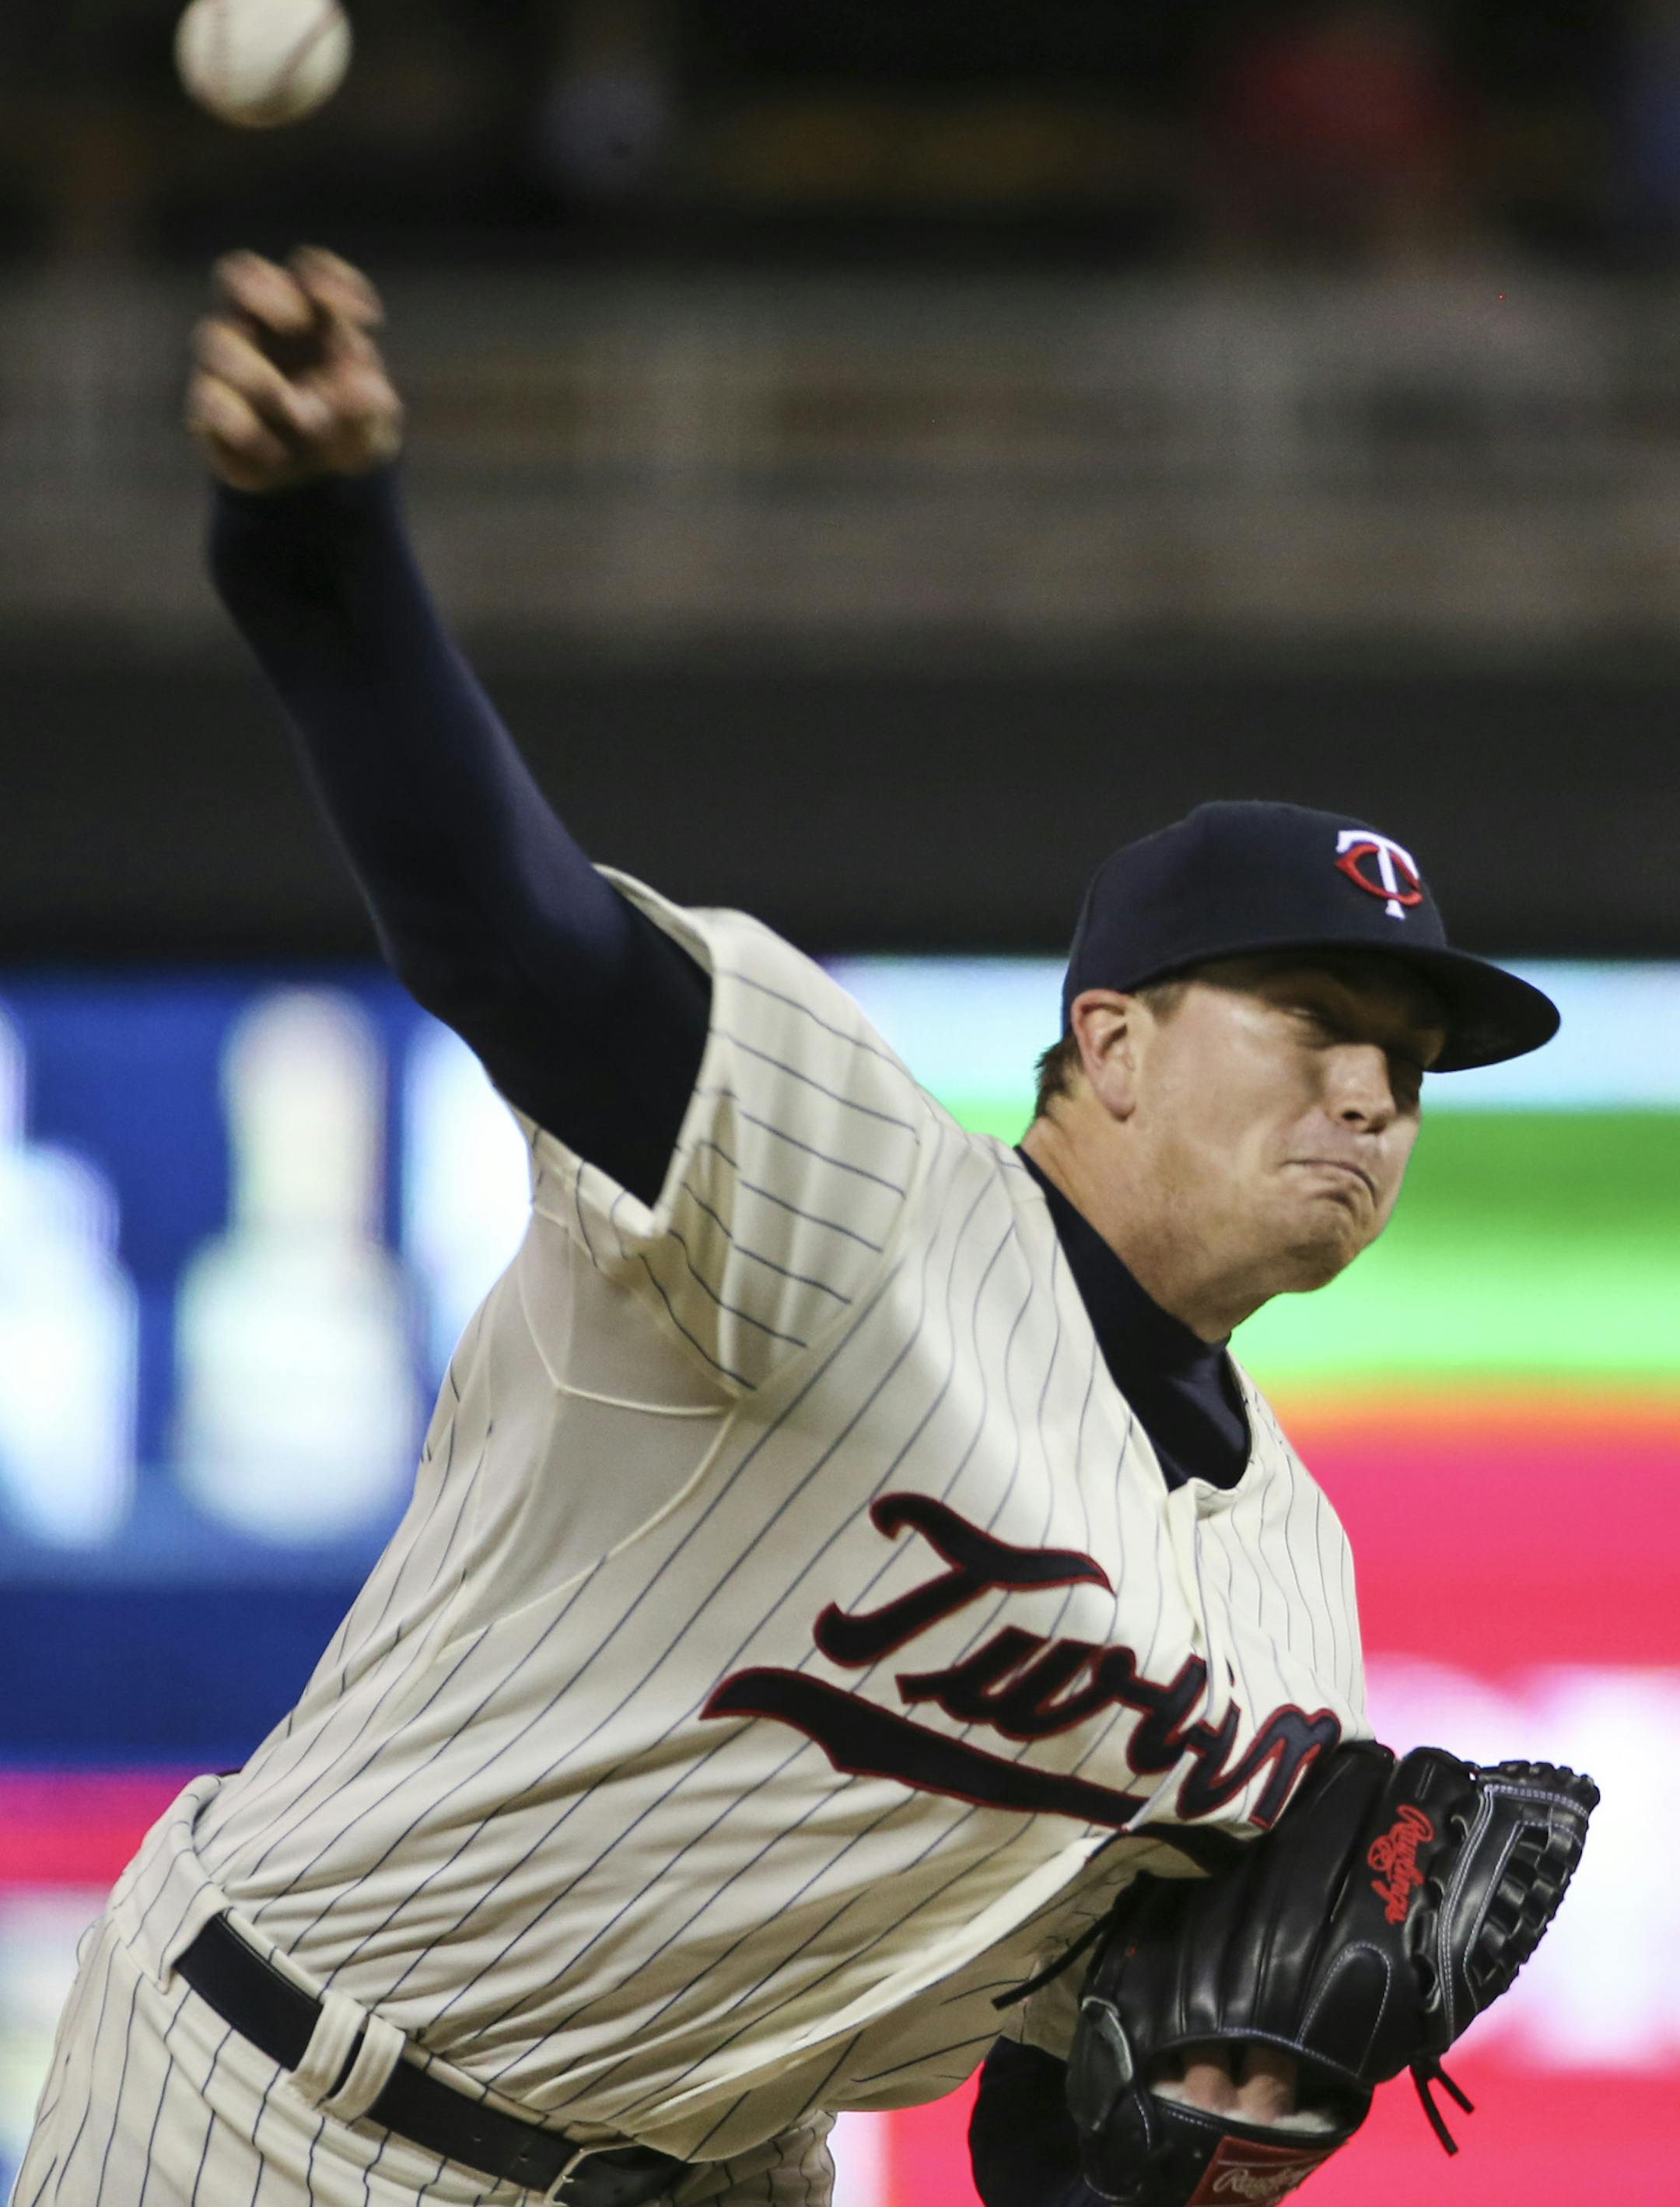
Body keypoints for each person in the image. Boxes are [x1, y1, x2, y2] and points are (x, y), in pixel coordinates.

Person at [13, 249, 1560, 2207]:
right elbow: (516, 932)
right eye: (1322, 1025)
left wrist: (1199, 2131)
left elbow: (1053, 2106)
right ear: (1113, 1042)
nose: (1372, 1097)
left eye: (1413, 1068)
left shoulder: (1296, 1604)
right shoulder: (856, 1199)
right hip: (288, 2103)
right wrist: (328, 561)